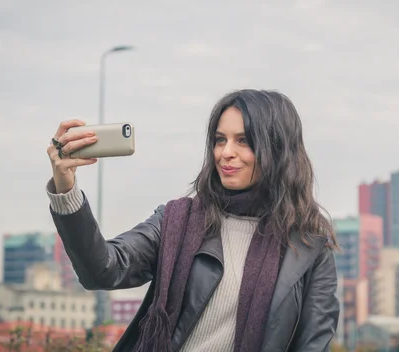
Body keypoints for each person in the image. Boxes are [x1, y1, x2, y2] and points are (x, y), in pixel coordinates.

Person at [45, 89, 340, 352]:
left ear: (277, 149)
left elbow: (313, 343)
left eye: (244, 141)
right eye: (220, 140)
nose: (226, 153)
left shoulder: (309, 248)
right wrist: (65, 187)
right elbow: (103, 270)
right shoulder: (177, 221)